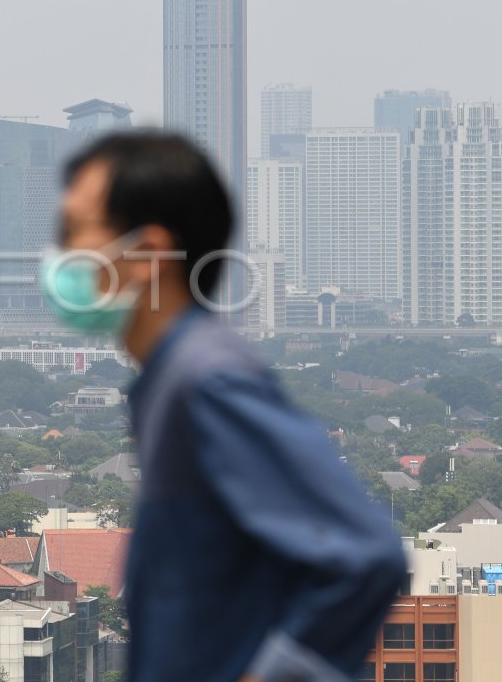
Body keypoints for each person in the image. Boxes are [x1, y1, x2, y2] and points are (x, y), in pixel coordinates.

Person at [41, 131, 407, 682]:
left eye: (74, 232)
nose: (59, 256)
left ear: (146, 254)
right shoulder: (167, 381)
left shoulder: (206, 380)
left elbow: (366, 556)